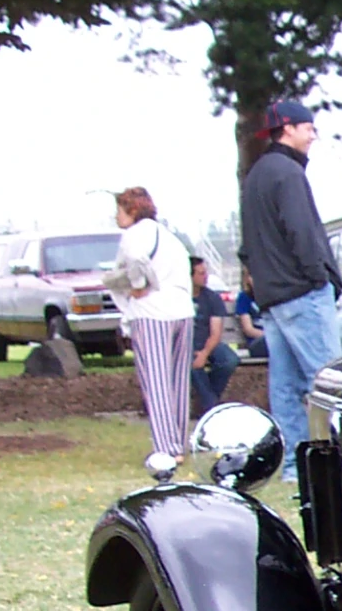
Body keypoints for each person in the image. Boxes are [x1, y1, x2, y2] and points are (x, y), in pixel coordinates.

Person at [238, 97, 342, 478]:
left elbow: (247, 245)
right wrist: (320, 276)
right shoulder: (288, 173)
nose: (313, 135)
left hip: (273, 301)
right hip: (302, 293)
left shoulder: (256, 175)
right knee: (331, 384)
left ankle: (295, 471)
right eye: (308, 128)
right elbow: (302, 230)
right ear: (289, 129)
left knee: (283, 390)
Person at [113, 186, 195, 465]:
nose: (116, 217)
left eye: (119, 211)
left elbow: (136, 259)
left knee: (157, 380)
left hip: (152, 312)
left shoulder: (135, 235)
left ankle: (166, 447)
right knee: (178, 380)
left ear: (131, 210)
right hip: (182, 310)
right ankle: (179, 441)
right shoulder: (171, 238)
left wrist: (138, 284)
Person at [189, 257, 239, 416]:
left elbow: (216, 333)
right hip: (185, 344)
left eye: (206, 273)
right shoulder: (178, 298)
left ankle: (208, 403)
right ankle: (213, 408)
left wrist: (204, 354)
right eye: (201, 273)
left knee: (229, 359)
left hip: (208, 343)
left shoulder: (212, 298)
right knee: (189, 363)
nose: (206, 277)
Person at [235, 269, 268, 361]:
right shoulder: (244, 297)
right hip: (257, 342)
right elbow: (248, 330)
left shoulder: (272, 296)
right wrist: (271, 336)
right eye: (251, 276)